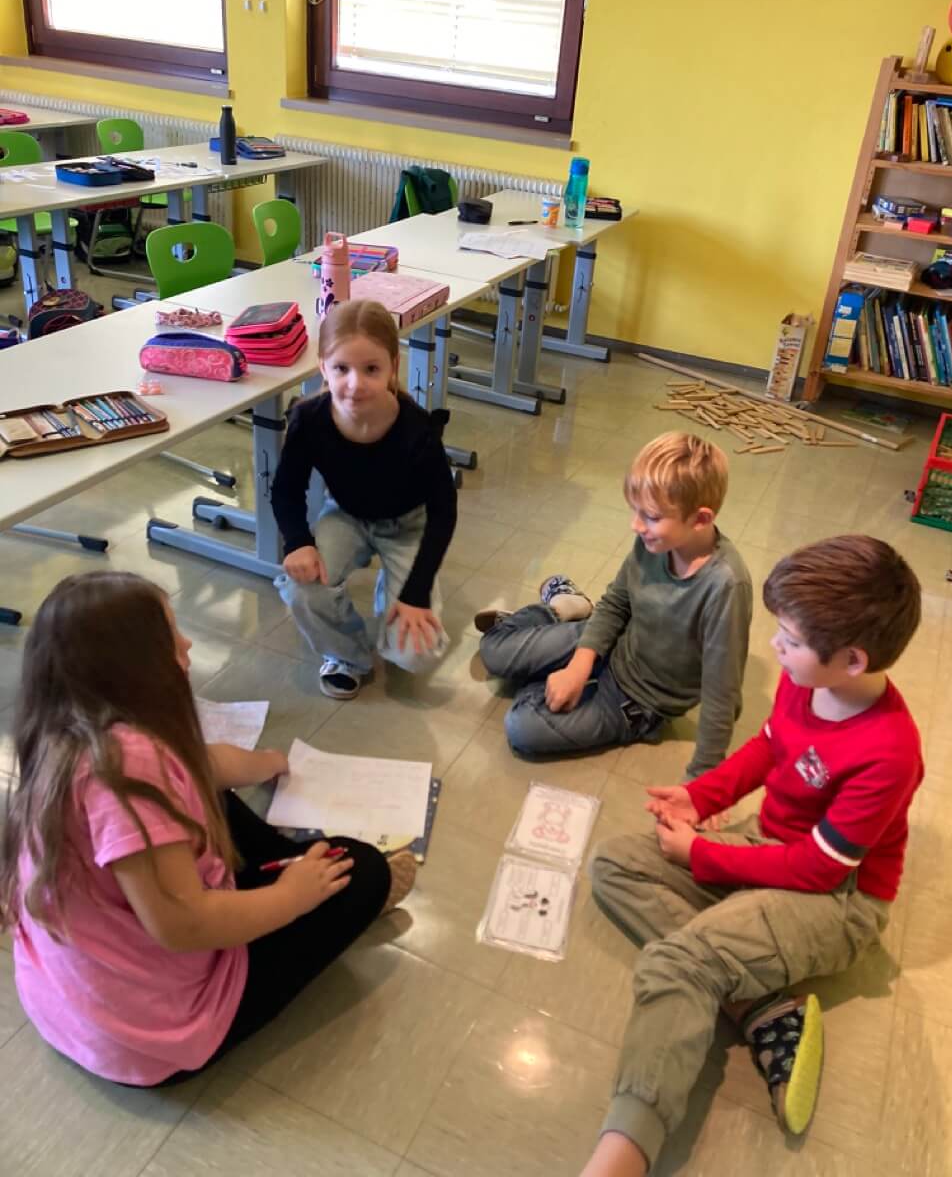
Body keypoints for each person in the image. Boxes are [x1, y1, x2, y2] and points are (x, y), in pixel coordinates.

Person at [581, 535, 923, 1177]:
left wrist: (703, 855)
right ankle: (759, 1007)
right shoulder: (805, 679)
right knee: (613, 864)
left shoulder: (889, 751)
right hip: (771, 846)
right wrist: (699, 795)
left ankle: (621, 1156)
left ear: (852, 659)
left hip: (838, 901)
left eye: (789, 639)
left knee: (680, 962)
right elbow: (767, 747)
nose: (775, 647)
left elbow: (821, 870)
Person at [0, 571, 415, 1087]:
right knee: (363, 870)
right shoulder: (130, 770)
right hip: (150, 1033)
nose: (188, 643)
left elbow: (202, 765)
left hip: (73, 996)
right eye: (171, 633)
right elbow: (182, 925)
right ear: (135, 664)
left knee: (207, 791)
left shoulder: (68, 731)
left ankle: (283, 866)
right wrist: (291, 897)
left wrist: (268, 762)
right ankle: (291, 877)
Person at [475, 432, 751, 774]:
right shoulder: (653, 542)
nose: (636, 525)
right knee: (493, 650)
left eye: (651, 516)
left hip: (637, 698)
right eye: (636, 511)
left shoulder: (725, 586)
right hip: (612, 643)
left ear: (700, 519)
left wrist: (703, 776)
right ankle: (565, 606)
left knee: (521, 726)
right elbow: (617, 603)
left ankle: (553, 644)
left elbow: (723, 694)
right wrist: (579, 665)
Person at [272, 299, 457, 700]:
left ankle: (394, 593)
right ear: (323, 367)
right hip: (346, 515)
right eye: (341, 368)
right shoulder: (309, 419)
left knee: (416, 654)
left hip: (409, 524)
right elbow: (286, 488)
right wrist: (298, 541)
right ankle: (347, 655)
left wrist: (415, 592)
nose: (355, 384)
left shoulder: (416, 430)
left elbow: (444, 512)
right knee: (302, 588)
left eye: (371, 369)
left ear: (393, 366)